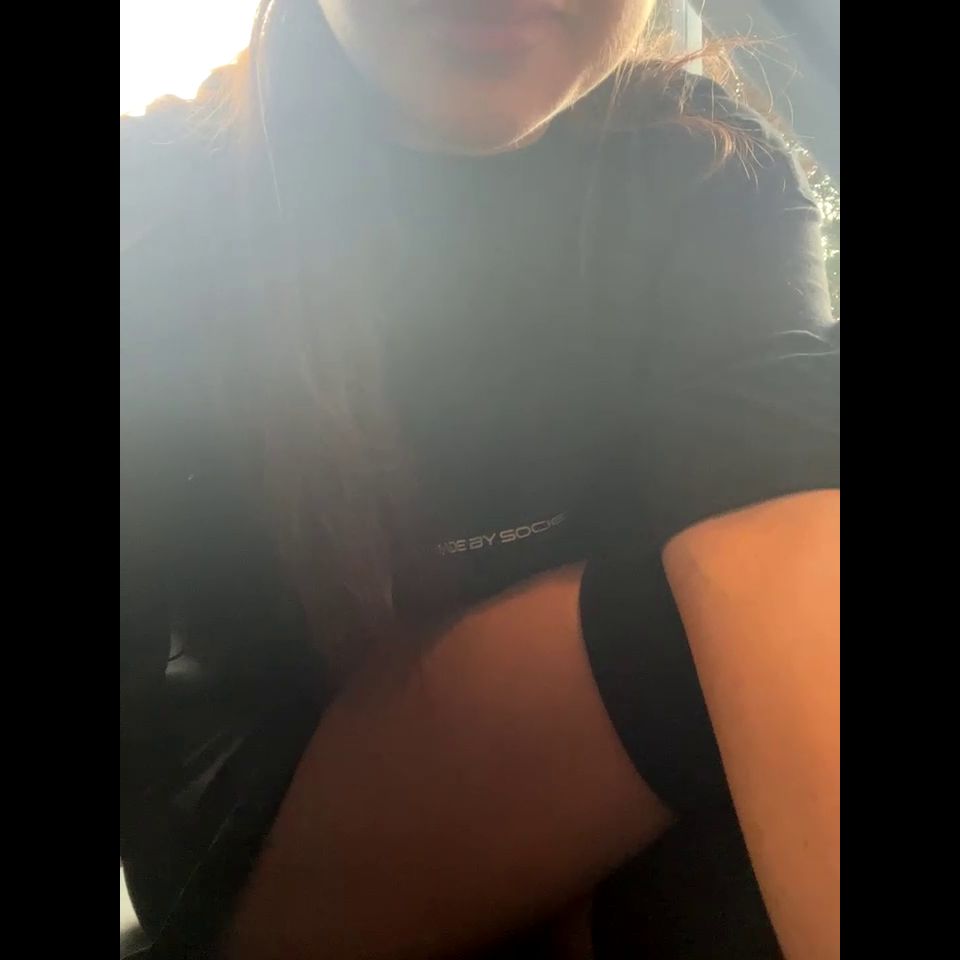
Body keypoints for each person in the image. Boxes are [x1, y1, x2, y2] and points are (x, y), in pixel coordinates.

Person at [119, 0, 840, 957]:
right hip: (266, 837)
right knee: (731, 626)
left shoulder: (710, 165)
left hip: (603, 758)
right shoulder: (155, 199)